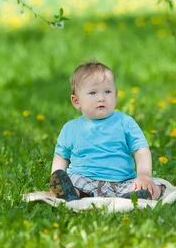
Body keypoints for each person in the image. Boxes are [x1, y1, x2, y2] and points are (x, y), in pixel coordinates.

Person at [49, 61, 166, 201]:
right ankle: (70, 193)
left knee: (156, 186)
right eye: (92, 92)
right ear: (76, 101)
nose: (101, 98)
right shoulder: (70, 128)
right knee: (71, 180)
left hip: (121, 181)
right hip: (84, 179)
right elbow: (61, 156)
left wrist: (144, 175)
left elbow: (140, 149)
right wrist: (56, 174)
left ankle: (132, 196)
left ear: (115, 96)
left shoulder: (125, 122)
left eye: (107, 92)